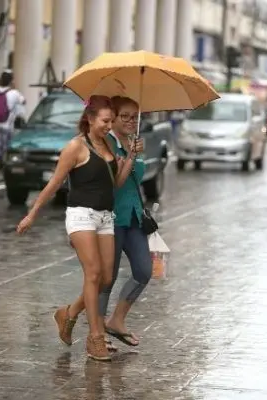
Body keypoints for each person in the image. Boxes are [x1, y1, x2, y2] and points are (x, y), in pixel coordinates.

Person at [17, 95, 132, 362]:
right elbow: (54, 184)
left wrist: (131, 154)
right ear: (90, 119)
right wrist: (32, 214)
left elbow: (115, 183)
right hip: (81, 216)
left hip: (105, 217)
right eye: (105, 121)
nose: (109, 125)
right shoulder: (75, 147)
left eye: (111, 121)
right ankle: (95, 339)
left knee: (105, 278)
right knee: (92, 274)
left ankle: (68, 313)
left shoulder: (107, 144)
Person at [99, 96, 151, 349]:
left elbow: (139, 177)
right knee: (105, 277)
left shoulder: (136, 142)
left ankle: (116, 320)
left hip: (133, 216)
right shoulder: (106, 143)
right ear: (114, 117)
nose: (131, 121)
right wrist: (129, 156)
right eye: (126, 116)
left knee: (144, 271)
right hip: (111, 217)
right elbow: (111, 183)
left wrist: (135, 153)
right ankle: (97, 333)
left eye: (135, 117)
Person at [0, 70, 25, 182]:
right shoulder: (14, 93)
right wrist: (14, 88)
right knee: (7, 148)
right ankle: (4, 170)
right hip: (8, 126)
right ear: (11, 81)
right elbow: (23, 101)